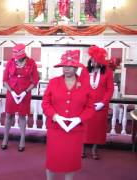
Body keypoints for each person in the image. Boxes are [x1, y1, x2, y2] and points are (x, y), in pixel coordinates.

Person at [42, 50, 94, 180]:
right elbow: (45, 103)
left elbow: (90, 107)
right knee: (53, 159)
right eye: (64, 66)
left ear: (76, 67)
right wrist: (55, 116)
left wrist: (79, 119)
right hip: (55, 128)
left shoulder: (85, 85)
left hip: (75, 130)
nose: (67, 69)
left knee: (71, 161)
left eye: (70, 66)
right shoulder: (54, 82)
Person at [1, 43, 39, 152]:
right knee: (9, 115)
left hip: (25, 93)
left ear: (23, 54)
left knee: (22, 116)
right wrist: (11, 91)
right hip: (11, 92)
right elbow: (5, 80)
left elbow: (35, 81)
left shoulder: (31, 63)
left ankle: (22, 139)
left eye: (19, 58)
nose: (16, 60)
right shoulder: (10, 62)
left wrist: (25, 92)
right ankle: (5, 138)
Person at [81, 45, 114, 160]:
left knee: (98, 129)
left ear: (101, 61)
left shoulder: (108, 72)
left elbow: (110, 90)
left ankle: (95, 150)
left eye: (96, 59)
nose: (94, 61)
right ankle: (82, 149)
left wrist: (103, 103)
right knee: (84, 128)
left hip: (100, 107)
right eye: (92, 59)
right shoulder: (84, 71)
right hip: (86, 106)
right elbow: (80, 86)